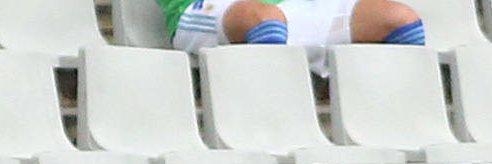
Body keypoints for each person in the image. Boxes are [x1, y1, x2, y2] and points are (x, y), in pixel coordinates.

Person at [160, 0, 425, 77]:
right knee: (265, 20)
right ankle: (269, 124)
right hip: (209, 6)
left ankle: (406, 128)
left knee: (400, 20)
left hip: (294, 6)